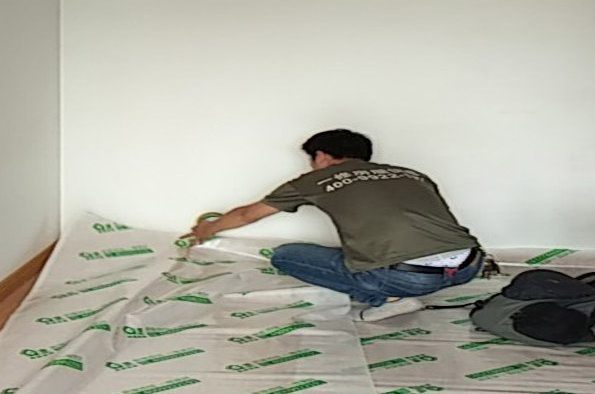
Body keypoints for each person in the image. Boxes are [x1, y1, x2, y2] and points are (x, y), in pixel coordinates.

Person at [188, 128, 483, 321]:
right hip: (469, 266)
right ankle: (400, 286)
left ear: (321, 156)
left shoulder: (315, 180)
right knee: (357, 252)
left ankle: (388, 299)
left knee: (286, 255)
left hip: (408, 278)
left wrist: (206, 229)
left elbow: (247, 215)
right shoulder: (411, 173)